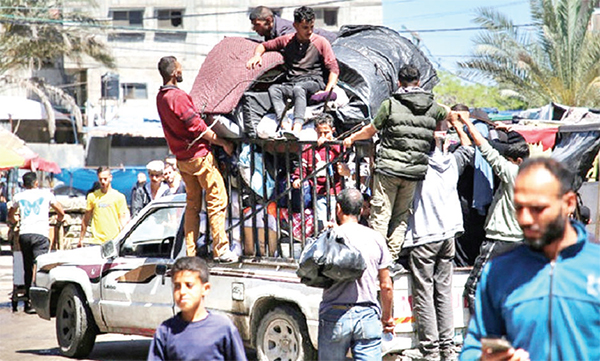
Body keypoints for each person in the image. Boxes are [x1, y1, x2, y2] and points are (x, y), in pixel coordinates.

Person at [460, 158, 600, 361]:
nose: (525, 219)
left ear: (568, 203)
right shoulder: (498, 272)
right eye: (519, 208)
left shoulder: (595, 266)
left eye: (537, 208)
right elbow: (473, 348)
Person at [343, 64, 450, 263]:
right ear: (418, 82)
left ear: (399, 83)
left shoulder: (391, 104)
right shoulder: (432, 106)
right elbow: (448, 113)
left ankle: (376, 260)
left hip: (389, 170)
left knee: (381, 215)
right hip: (414, 171)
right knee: (401, 217)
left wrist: (352, 138)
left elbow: (370, 130)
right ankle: (390, 260)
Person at [402, 108, 474, 361]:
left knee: (425, 292)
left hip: (425, 235)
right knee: (442, 292)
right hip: (449, 234)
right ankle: (448, 346)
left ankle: (430, 349)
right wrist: (457, 126)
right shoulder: (451, 163)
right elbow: (468, 148)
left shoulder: (418, 166)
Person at [156, 56, 237, 263]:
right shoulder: (178, 97)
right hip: (199, 157)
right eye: (180, 68)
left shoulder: (161, 97)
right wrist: (222, 142)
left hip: (183, 160)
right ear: (174, 73)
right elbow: (197, 127)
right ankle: (221, 249)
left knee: (192, 206)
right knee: (217, 200)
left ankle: (189, 252)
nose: (182, 71)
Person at [458, 114, 530, 313]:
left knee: (473, 289)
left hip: (499, 241)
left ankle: (483, 333)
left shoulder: (512, 172)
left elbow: (485, 148)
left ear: (517, 161)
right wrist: (510, 131)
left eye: (509, 160)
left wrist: (466, 124)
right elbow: (523, 145)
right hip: (521, 243)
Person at [318, 188, 394, 360]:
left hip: (334, 314)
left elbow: (311, 271)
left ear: (338, 208)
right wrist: (387, 318)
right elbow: (386, 286)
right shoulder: (376, 238)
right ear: (361, 211)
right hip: (367, 314)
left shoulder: (330, 236)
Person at [246, 6, 340, 135]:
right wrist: (257, 55)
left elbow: (333, 68)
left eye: (311, 27)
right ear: (295, 25)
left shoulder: (321, 42)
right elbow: (263, 46)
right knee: (274, 89)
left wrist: (328, 89)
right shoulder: (286, 40)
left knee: (299, 88)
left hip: (313, 82)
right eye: (305, 28)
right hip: (292, 83)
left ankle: (297, 128)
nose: (309, 31)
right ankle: (285, 126)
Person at [147, 256, 247, 361]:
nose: (182, 292)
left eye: (189, 285)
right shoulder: (166, 332)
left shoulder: (223, 329)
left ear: (205, 289)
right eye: (177, 286)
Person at [8, 172, 64, 313]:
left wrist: (15, 221)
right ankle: (37, 301)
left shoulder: (19, 196)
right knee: (40, 266)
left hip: (25, 235)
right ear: (36, 183)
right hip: (40, 234)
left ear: (24, 184)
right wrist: (58, 220)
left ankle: (27, 300)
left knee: (27, 267)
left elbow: (11, 213)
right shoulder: (46, 194)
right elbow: (60, 211)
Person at [291, 114, 349, 228]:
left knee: (335, 221)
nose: (323, 136)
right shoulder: (310, 147)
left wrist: (331, 143)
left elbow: (344, 157)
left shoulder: (337, 146)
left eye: (326, 133)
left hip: (335, 191)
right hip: (318, 192)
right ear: (315, 131)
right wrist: (298, 178)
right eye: (320, 133)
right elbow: (303, 166)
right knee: (322, 222)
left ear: (332, 131)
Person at [79, 167, 130, 246]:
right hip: (96, 241)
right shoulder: (92, 196)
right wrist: (81, 238)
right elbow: (86, 219)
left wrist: (125, 238)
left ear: (110, 178)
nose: (103, 182)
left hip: (113, 241)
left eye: (105, 179)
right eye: (100, 179)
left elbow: (123, 219)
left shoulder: (119, 197)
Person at [249, 5, 337, 43]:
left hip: (333, 43)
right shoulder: (270, 33)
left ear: (268, 20)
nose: (254, 29)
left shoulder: (284, 31)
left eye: (257, 25)